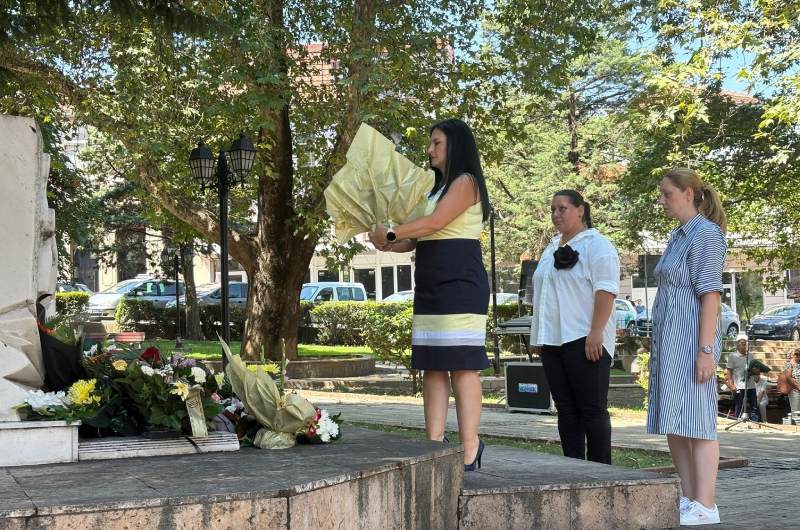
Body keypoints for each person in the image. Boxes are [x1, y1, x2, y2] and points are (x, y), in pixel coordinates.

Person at [369, 118, 491, 471]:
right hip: (431, 282)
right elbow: (417, 238)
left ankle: (470, 446)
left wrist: (393, 231)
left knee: (463, 366)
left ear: (455, 145)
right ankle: (433, 445)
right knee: (433, 365)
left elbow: (435, 223)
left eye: (436, 142)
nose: (429, 149)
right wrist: (387, 242)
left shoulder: (466, 182)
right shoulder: (435, 189)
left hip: (460, 282)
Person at [646, 168, 727, 526]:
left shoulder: (706, 235)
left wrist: (706, 350)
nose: (662, 200)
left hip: (692, 341)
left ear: (689, 194)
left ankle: (706, 504)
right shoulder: (677, 236)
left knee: (698, 420)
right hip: (669, 342)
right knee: (674, 420)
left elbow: (711, 295)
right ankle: (690, 498)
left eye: (667, 193)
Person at [529, 189, 620, 465]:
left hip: (585, 339)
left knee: (592, 409)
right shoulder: (550, 248)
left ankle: (601, 471)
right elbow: (543, 293)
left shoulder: (597, 245)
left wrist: (596, 332)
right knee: (566, 410)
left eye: (562, 208)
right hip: (553, 342)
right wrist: (538, 336)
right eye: (553, 209)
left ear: (581, 210)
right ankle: (573, 468)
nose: (556, 214)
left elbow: (606, 290)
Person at [725, 334, 758, 420]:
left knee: (754, 406)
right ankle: (738, 421)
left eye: (746, 344)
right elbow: (729, 371)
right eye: (743, 344)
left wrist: (755, 370)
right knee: (739, 406)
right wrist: (731, 385)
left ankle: (755, 422)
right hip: (739, 386)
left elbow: (754, 369)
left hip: (751, 385)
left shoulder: (750, 355)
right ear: (738, 345)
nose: (745, 345)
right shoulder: (733, 356)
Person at [784, 349, 800, 413]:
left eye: (799, 354)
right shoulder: (789, 364)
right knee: (796, 411)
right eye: (796, 354)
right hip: (795, 390)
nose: (798, 355)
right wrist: (798, 387)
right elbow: (788, 378)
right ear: (791, 355)